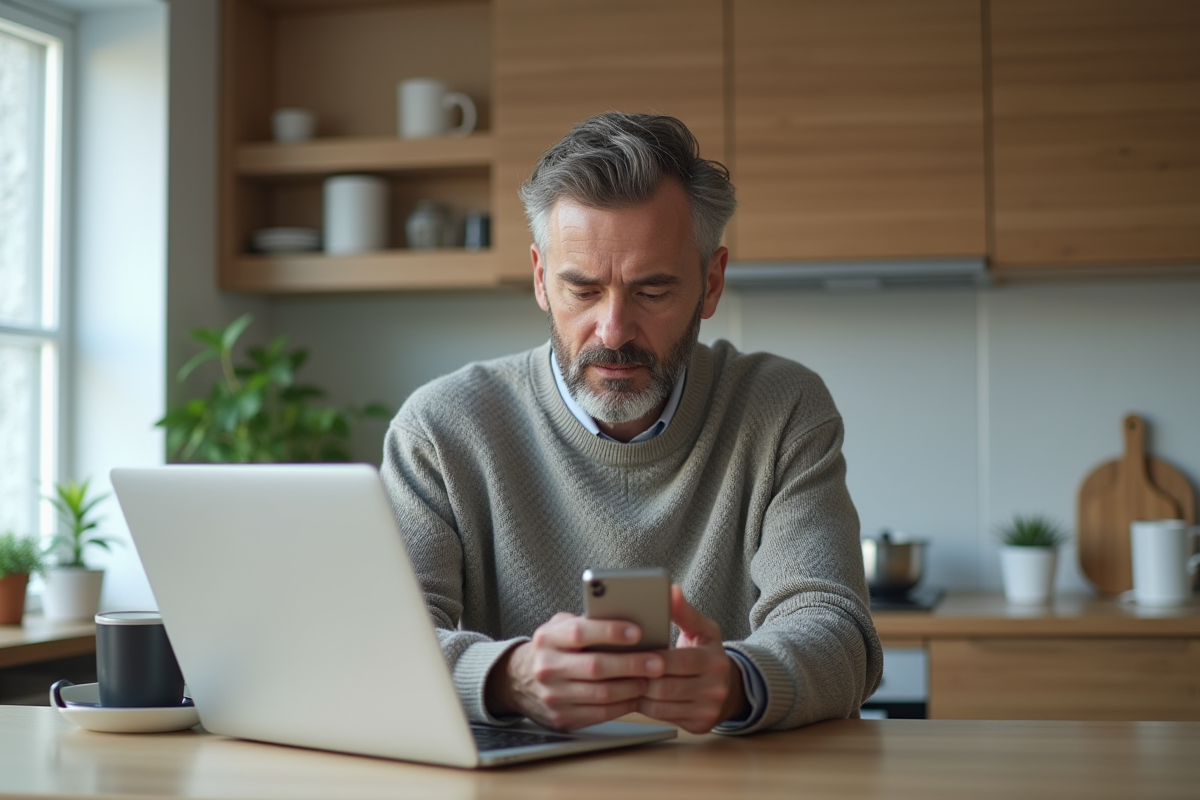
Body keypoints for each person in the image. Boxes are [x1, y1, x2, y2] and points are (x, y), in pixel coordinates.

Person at [382, 112, 882, 735]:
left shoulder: (781, 409)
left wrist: (737, 682)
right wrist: (507, 676)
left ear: (711, 282)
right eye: (583, 290)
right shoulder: (440, 429)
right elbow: (387, 642)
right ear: (541, 279)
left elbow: (839, 632)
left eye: (652, 291)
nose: (614, 331)